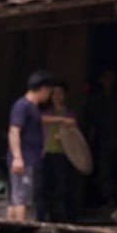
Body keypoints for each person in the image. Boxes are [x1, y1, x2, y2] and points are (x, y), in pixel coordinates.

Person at [7, 70, 55, 222]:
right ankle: (18, 231)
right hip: (24, 159)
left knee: (18, 197)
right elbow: (14, 131)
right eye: (49, 92)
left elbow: (41, 120)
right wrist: (18, 158)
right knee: (21, 199)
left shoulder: (32, 108)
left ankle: (12, 230)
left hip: (30, 159)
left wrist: (62, 120)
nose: (48, 96)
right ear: (43, 89)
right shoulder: (22, 106)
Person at [37, 81, 80, 223]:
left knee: (61, 188)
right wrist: (62, 120)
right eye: (54, 93)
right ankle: (42, 219)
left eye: (60, 93)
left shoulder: (70, 114)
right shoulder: (46, 113)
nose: (57, 96)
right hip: (45, 154)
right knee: (43, 187)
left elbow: (75, 134)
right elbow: (40, 120)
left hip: (62, 155)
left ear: (65, 95)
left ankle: (60, 220)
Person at [84, 67, 117, 217]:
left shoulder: (115, 99)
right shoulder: (96, 100)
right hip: (102, 144)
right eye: (105, 78)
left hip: (115, 143)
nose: (108, 81)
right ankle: (107, 203)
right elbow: (91, 123)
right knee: (103, 175)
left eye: (110, 78)